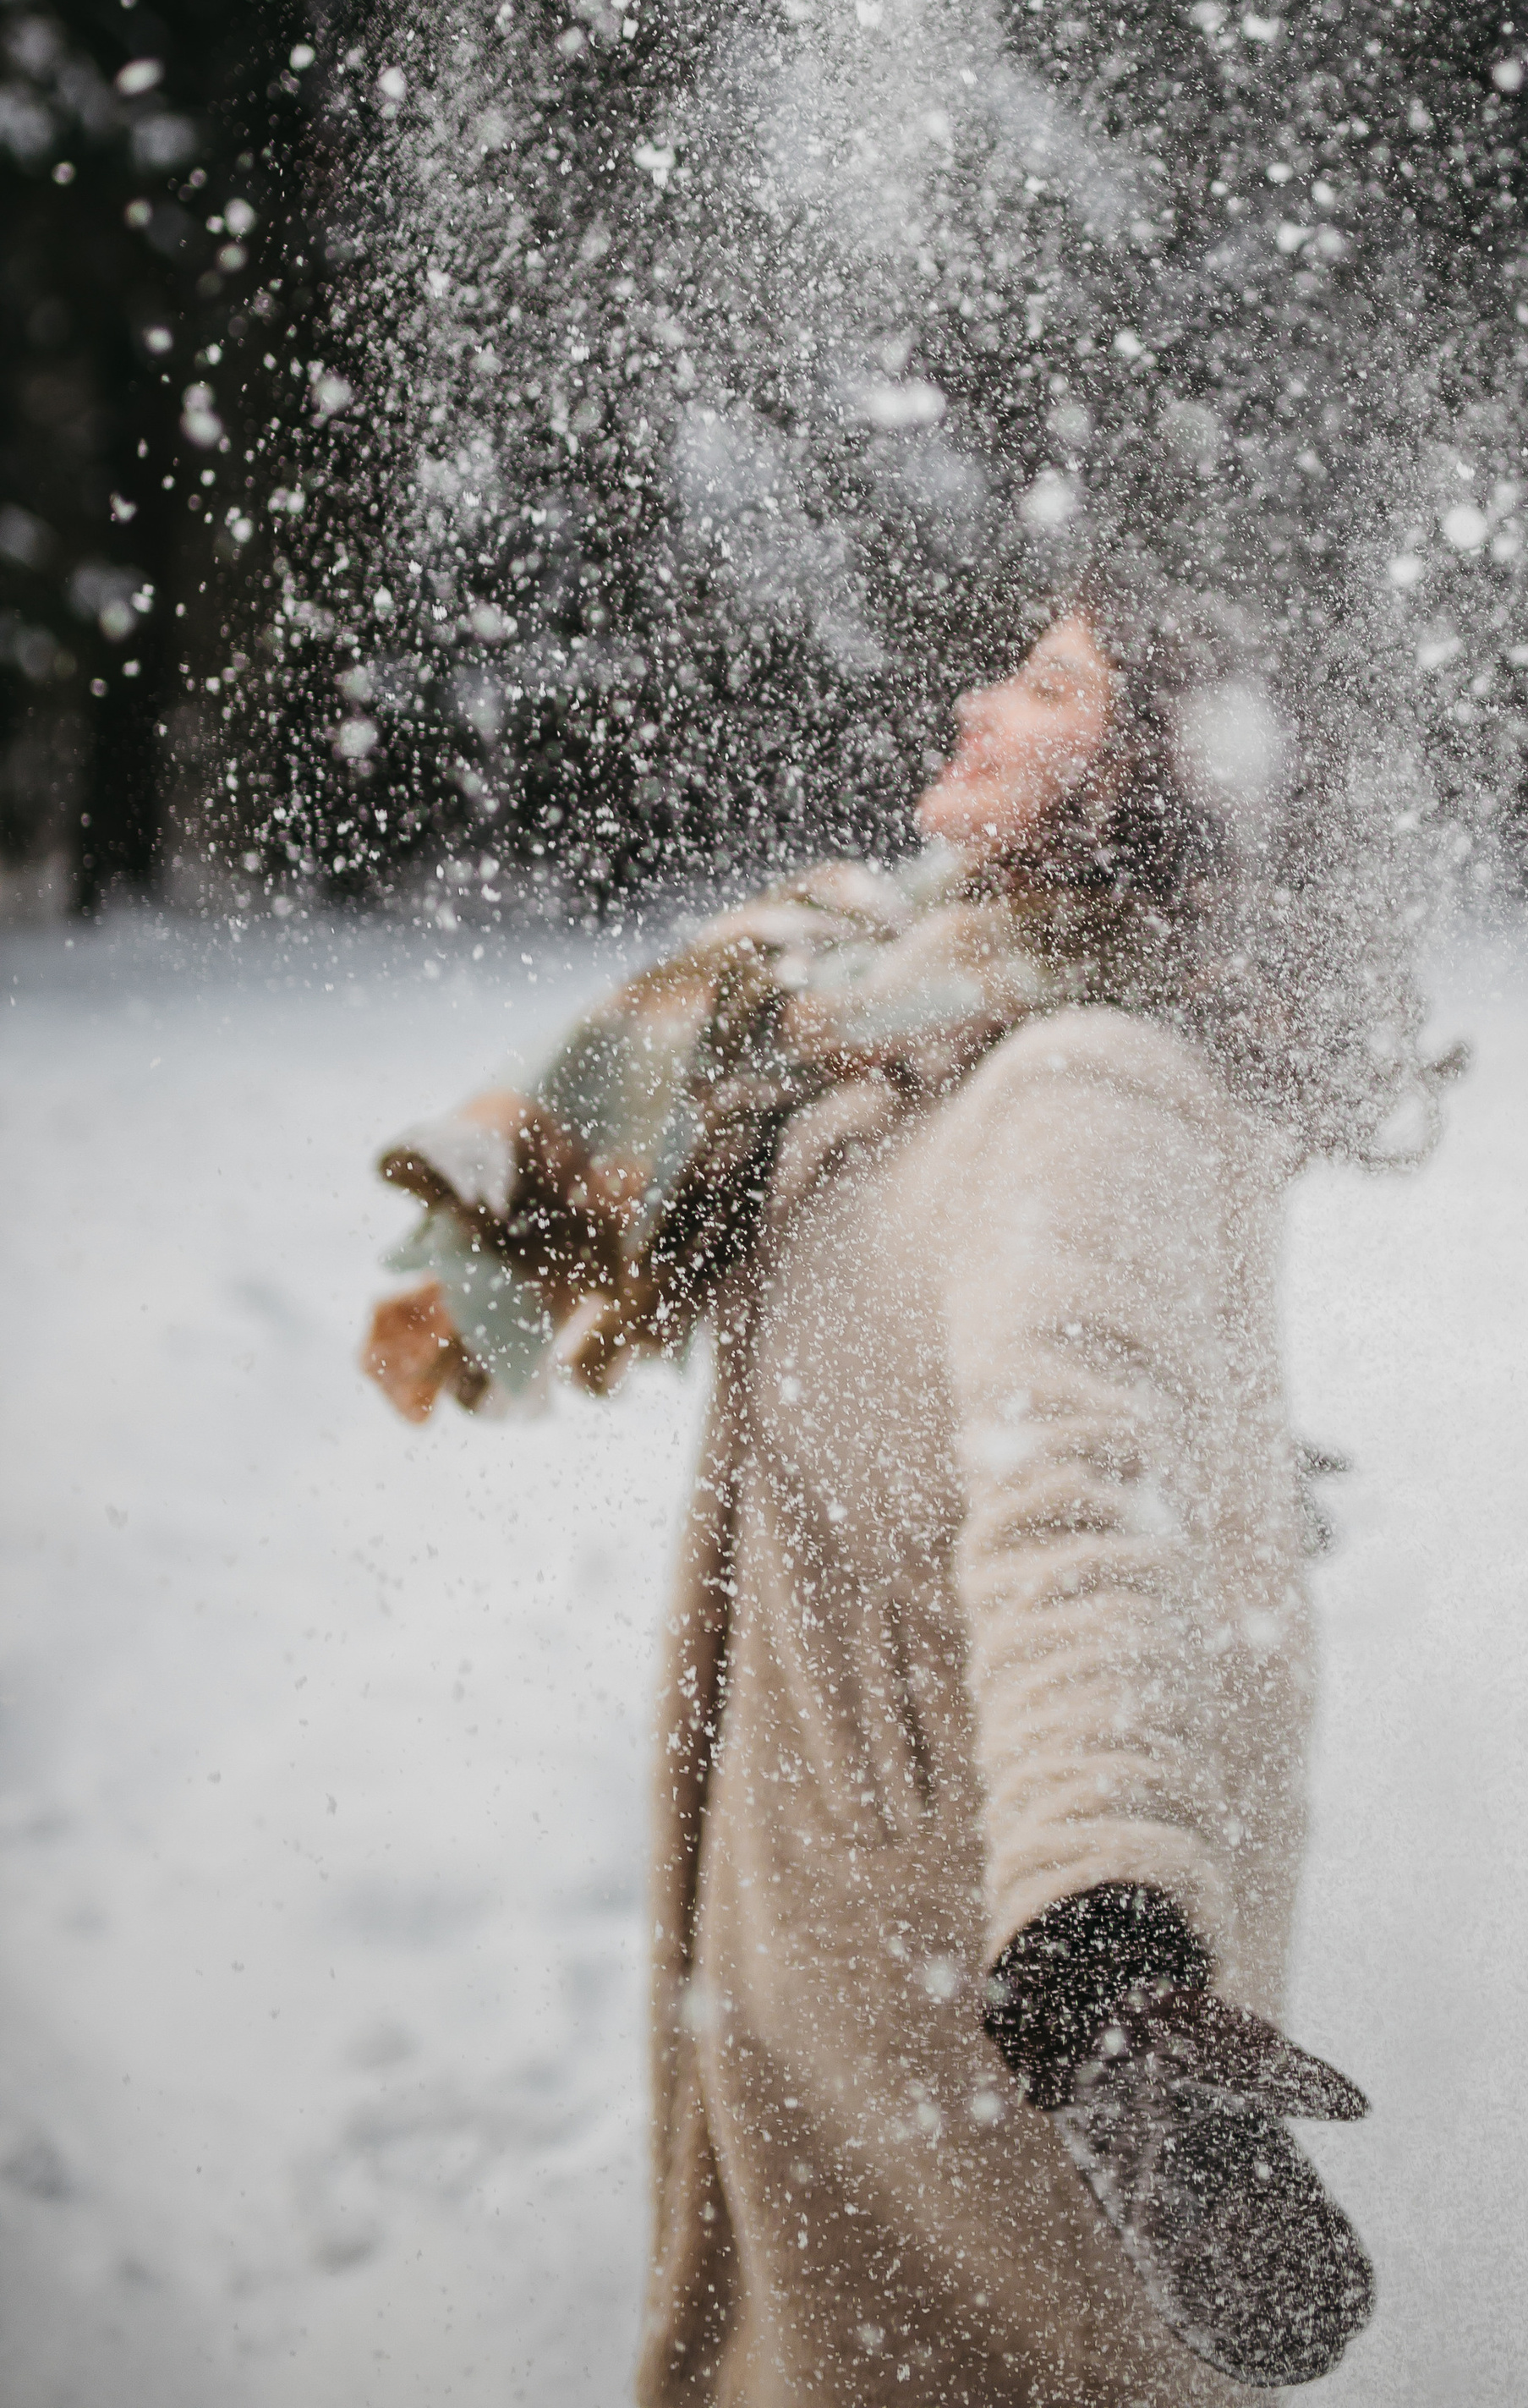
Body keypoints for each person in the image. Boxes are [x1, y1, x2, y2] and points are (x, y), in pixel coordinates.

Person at [364, 579, 1390, 2401]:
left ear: (1141, 780)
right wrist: (510, 1244)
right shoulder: (909, 1016)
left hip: (975, 1974)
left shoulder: (1082, 1081)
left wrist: (1103, 1945)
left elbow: (1087, 1514)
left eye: (1052, 687)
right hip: (854, 1927)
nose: (985, 703)